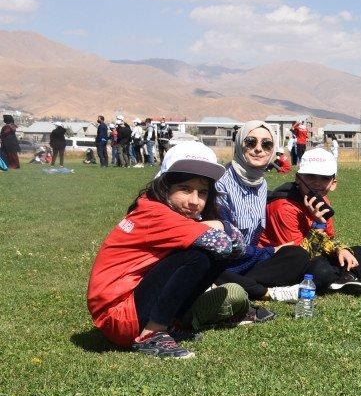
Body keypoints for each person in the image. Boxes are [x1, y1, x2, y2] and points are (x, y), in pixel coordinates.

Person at [86, 141, 251, 358]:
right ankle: (151, 334)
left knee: (211, 254)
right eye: (185, 189)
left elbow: (237, 247)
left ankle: (169, 324)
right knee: (200, 254)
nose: (195, 201)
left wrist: (214, 227)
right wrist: (220, 225)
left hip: (126, 311)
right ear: (165, 185)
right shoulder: (156, 213)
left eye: (202, 192)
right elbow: (225, 243)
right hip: (119, 316)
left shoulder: (156, 209)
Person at [213, 120, 311, 311]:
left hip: (248, 262)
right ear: (240, 144)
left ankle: (236, 286)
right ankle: (264, 292)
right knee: (208, 270)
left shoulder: (261, 184)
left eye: (266, 144)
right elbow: (226, 245)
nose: (258, 149)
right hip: (222, 261)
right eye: (251, 142)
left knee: (297, 255)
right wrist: (270, 252)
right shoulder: (221, 183)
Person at [260, 147, 361, 295]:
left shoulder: (322, 201)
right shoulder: (282, 206)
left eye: (324, 178)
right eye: (310, 176)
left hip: (309, 255)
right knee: (320, 268)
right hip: (282, 262)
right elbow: (297, 256)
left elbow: (327, 239)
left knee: (360, 253)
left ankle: (344, 278)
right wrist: (318, 224)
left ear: (333, 183)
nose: (317, 183)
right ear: (298, 178)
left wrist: (339, 249)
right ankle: (349, 276)